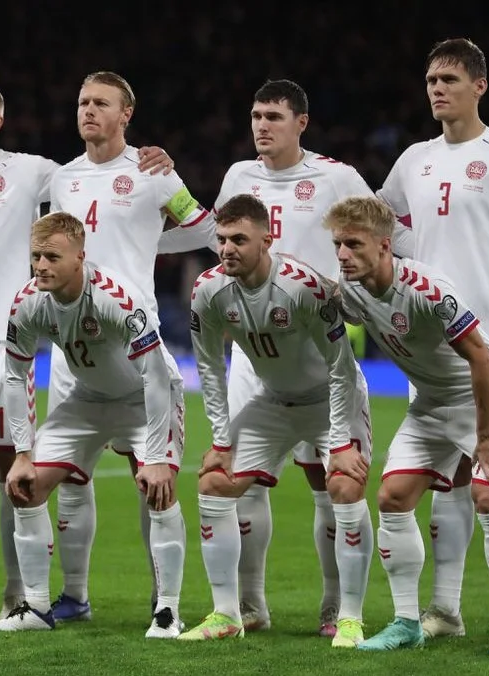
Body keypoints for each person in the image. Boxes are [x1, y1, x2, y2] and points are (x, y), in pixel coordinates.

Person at [0, 81, 175, 619]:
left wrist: (154, 164)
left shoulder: (37, 172)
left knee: (16, 466)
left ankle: (16, 593)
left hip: (15, 341)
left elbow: (101, 177)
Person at [378, 38, 489, 646]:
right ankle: (444, 610)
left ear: (480, 85)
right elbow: (380, 226)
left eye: (449, 79)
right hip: (433, 348)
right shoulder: (413, 161)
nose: (437, 89)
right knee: (448, 476)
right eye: (431, 79)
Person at [327, 195, 489, 658]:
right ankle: (406, 623)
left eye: (353, 244)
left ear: (384, 245)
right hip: (432, 402)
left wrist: (485, 436)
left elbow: (481, 357)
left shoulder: (427, 289)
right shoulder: (350, 289)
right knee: (393, 497)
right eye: (338, 244)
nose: (342, 254)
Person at [213, 79, 376, 636]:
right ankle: (250, 605)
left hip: (316, 348)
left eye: (274, 117)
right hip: (252, 352)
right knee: (243, 482)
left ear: (301, 123)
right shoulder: (238, 176)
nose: (262, 126)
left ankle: (335, 605)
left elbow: (380, 239)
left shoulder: (336, 178)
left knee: (328, 484)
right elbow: (219, 240)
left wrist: (352, 294)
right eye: (256, 115)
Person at [45, 71, 205, 625]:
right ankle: (74, 597)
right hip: (71, 349)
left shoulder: (153, 171)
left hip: (134, 345)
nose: (88, 110)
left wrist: (152, 237)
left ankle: (164, 602)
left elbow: (204, 228)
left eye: (101, 103)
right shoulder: (63, 178)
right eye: (83, 102)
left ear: (126, 114)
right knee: (71, 477)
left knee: (151, 478)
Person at [180, 194, 373, 647]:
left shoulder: (302, 287)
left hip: (329, 400)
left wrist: (340, 443)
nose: (227, 249)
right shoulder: (208, 290)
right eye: (222, 239)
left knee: (344, 487)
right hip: (272, 401)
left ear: (267, 241)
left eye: (239, 240)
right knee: (214, 482)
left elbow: (341, 367)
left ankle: (347, 615)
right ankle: (228, 613)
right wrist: (221, 441)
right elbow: (209, 366)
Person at [0, 211, 183, 638]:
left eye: (52, 257)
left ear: (80, 257)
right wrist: (22, 454)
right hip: (87, 400)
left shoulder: (116, 298)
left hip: (144, 398)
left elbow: (156, 376)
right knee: (26, 486)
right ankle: (36, 609)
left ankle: (167, 611)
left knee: (158, 490)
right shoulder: (28, 301)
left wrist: (157, 457)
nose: (41, 266)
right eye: (36, 256)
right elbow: (15, 376)